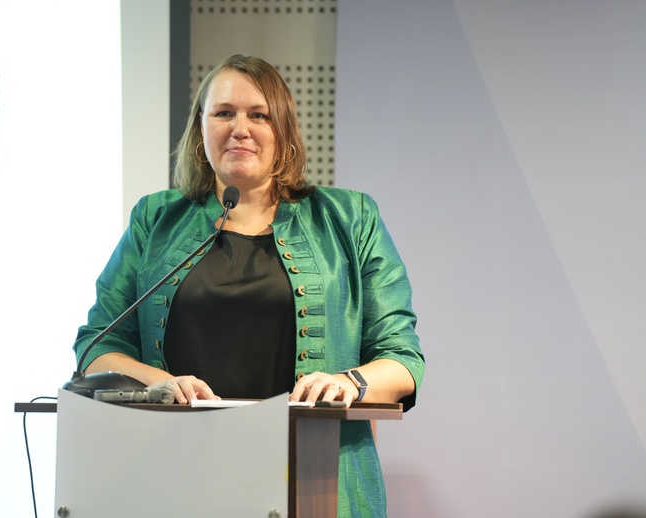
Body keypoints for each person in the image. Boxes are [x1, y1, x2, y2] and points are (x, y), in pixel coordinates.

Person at [72, 54, 425, 517]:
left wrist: (347, 383)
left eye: (259, 115)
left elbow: (402, 360)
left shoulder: (351, 218)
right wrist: (162, 383)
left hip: (317, 482)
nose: (240, 128)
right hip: (176, 477)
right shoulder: (155, 219)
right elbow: (97, 346)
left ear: (284, 130)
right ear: (200, 128)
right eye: (224, 113)